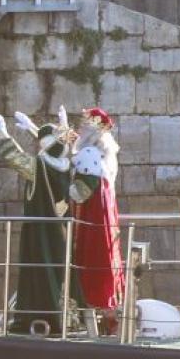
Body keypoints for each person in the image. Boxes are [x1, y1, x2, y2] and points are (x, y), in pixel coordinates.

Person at [0, 108, 91, 334]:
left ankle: (39, 318)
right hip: (62, 230)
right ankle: (70, 318)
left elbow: (15, 158)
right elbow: (58, 144)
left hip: (40, 233)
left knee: (39, 270)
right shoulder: (66, 165)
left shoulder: (39, 167)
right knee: (63, 270)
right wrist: (32, 128)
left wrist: (3, 135)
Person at [68, 107, 125, 321]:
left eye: (85, 124)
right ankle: (106, 310)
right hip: (103, 215)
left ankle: (95, 308)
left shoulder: (89, 154)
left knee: (92, 257)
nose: (80, 128)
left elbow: (79, 193)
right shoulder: (103, 154)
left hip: (92, 216)